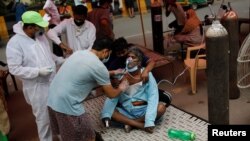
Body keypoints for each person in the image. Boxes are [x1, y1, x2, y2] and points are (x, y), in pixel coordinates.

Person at [47, 38, 129, 140]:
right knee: (88, 136)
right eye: (109, 54)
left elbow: (87, 73)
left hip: (51, 99)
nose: (108, 57)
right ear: (105, 51)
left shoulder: (79, 53)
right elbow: (111, 94)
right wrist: (121, 88)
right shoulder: (99, 66)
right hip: (67, 105)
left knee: (67, 135)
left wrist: (113, 72)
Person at [6, 11, 65, 141]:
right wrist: (37, 71)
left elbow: (47, 54)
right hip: (37, 88)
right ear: (29, 27)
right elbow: (14, 68)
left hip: (52, 82)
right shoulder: (15, 43)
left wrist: (59, 60)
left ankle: (62, 136)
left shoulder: (39, 36)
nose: (41, 29)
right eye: (38, 27)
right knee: (43, 120)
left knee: (58, 113)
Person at [101, 46, 172, 133]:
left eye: (133, 57)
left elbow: (153, 96)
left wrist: (149, 120)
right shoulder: (120, 75)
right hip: (127, 111)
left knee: (161, 108)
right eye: (128, 57)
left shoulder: (147, 75)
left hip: (144, 109)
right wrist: (106, 113)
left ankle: (132, 124)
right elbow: (113, 96)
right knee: (110, 112)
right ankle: (140, 125)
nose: (129, 59)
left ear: (139, 62)